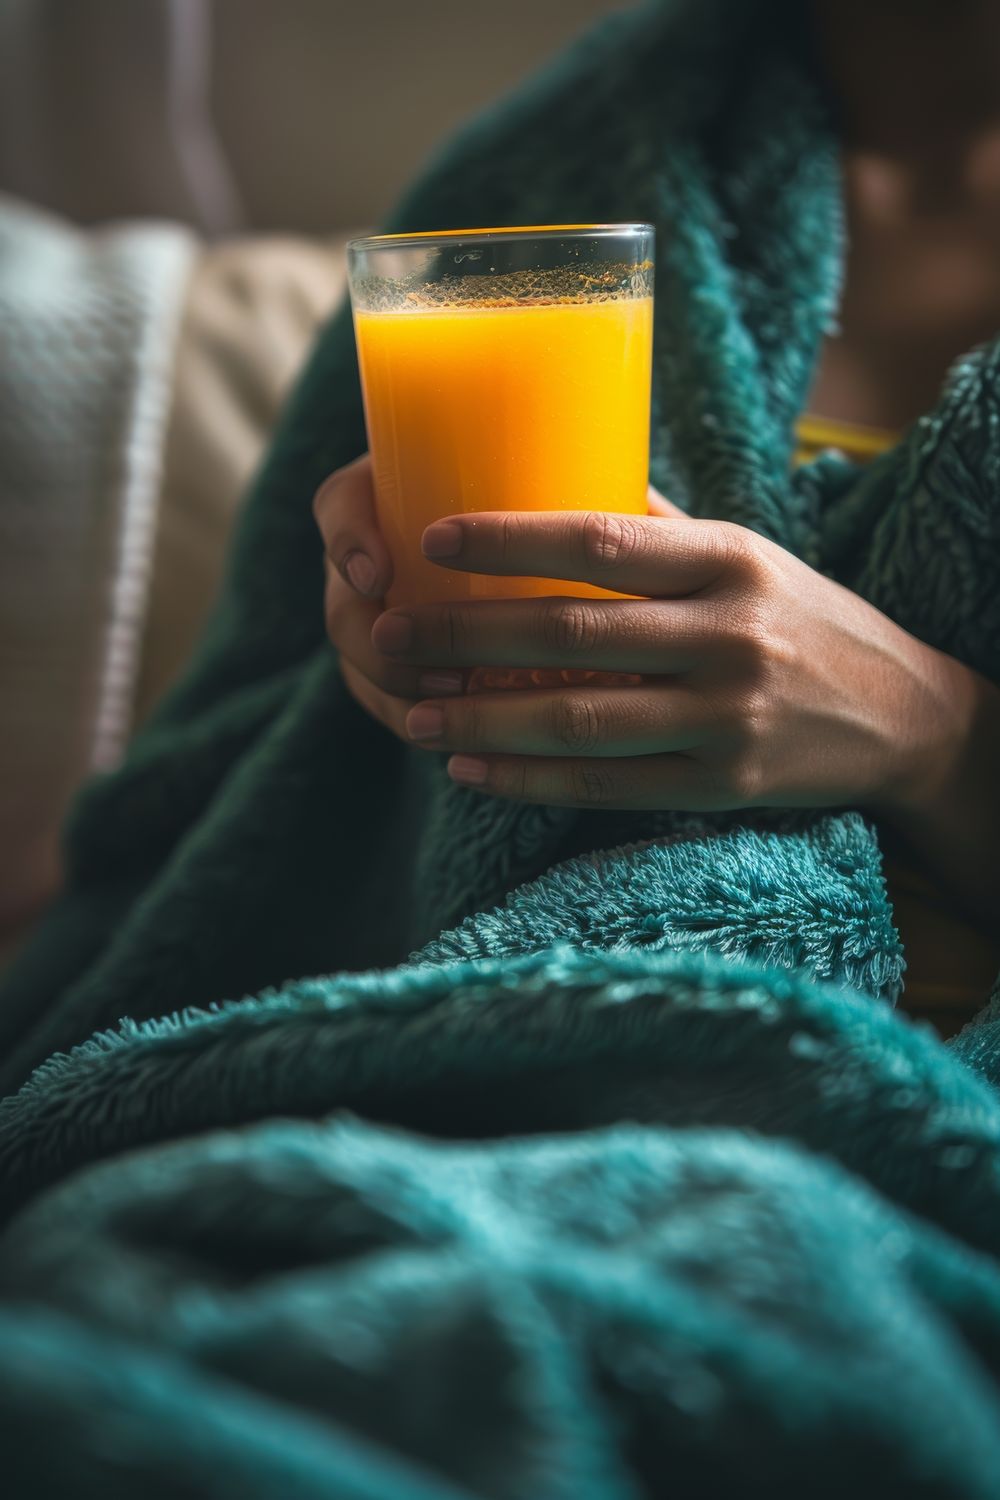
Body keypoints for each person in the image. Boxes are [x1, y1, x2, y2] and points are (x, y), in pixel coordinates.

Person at [315, 0, 1000, 1038]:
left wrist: (934, 738)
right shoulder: (528, 176)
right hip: (538, 1040)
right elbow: (264, 771)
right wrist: (369, 627)